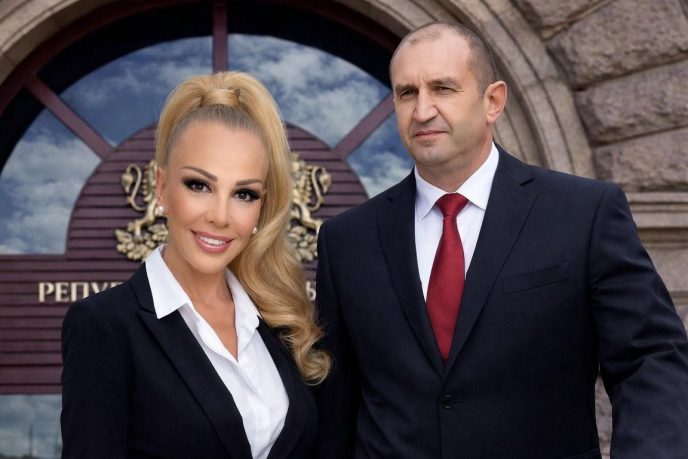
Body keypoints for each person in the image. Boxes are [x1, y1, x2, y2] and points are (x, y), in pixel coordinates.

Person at [314, 21, 688, 459]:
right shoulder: (347, 240)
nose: (422, 110)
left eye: (443, 88)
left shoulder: (583, 213)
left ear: (492, 101)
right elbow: (334, 409)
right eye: (407, 93)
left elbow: (650, 360)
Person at [61, 71, 329, 459]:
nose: (220, 216)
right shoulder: (103, 326)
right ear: (161, 187)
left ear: (261, 206)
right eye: (199, 185)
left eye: (243, 193)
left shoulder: (278, 321)